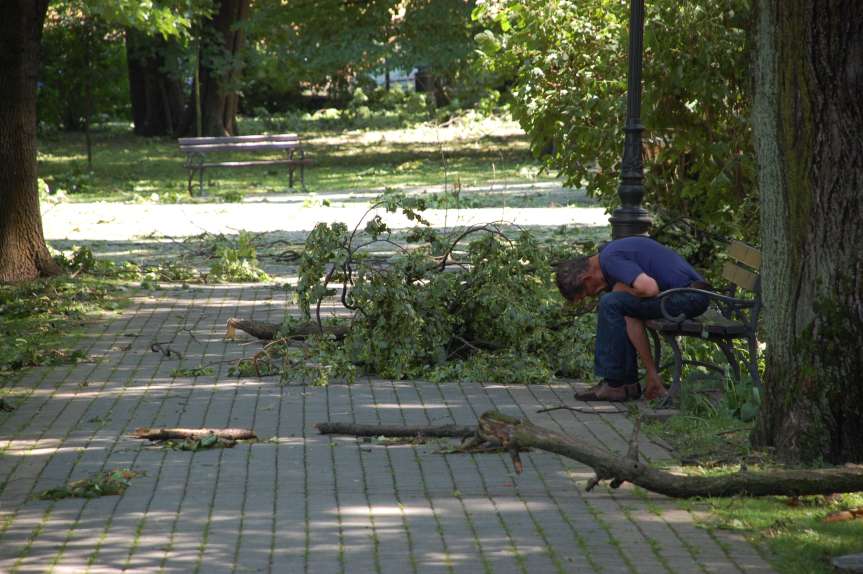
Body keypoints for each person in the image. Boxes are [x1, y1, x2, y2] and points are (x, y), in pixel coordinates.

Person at [555, 236, 711, 402]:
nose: (593, 294)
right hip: (687, 296)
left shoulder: (610, 259)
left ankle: (615, 384)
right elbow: (631, 319)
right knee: (617, 303)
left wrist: (620, 291)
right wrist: (652, 373)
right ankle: (627, 384)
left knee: (609, 302)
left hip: (690, 297)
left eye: (586, 293)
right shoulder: (609, 257)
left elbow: (649, 288)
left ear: (586, 279)